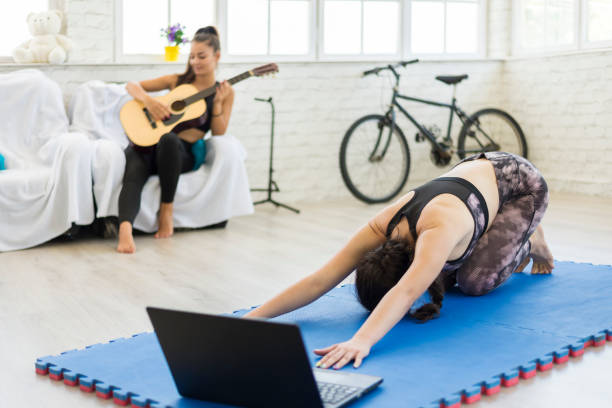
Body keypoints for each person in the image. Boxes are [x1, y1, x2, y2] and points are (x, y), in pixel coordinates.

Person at [244, 152, 554, 370]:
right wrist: (252, 319)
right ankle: (493, 233)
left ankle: (528, 241)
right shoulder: (383, 226)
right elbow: (320, 279)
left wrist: (361, 341)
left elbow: (406, 291)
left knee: (474, 283)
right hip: (474, 174)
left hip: (518, 184)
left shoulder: (437, 230)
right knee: (447, 275)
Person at [117, 26, 234, 254]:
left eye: (201, 56)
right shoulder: (176, 81)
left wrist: (217, 104)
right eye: (191, 56)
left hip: (182, 154)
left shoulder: (225, 92)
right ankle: (124, 228)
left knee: (169, 139)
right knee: (135, 156)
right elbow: (132, 85)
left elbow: (219, 134)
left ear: (216, 56)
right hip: (155, 148)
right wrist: (149, 102)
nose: (195, 62)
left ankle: (166, 211)